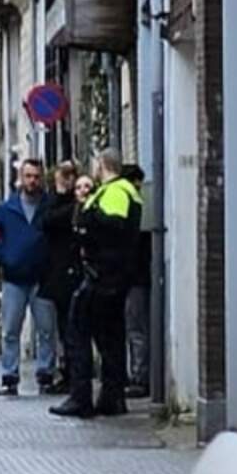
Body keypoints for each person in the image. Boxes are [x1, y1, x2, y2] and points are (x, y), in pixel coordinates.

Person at [52, 155, 147, 420]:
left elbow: (112, 227)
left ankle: (80, 397)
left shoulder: (115, 191)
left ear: (102, 165)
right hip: (113, 275)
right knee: (110, 338)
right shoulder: (122, 191)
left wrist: (88, 219)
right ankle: (112, 397)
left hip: (103, 276)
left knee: (78, 330)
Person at [0, 159, 55, 397]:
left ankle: (46, 374)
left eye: (36, 176)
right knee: (10, 330)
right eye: (28, 176)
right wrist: (5, 258)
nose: (32, 181)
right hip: (14, 279)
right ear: (21, 178)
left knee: (47, 330)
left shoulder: (49, 207)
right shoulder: (4, 210)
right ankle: (10, 376)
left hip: (43, 277)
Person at [34, 163, 87, 396]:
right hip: (61, 274)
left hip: (72, 273)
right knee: (65, 327)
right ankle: (70, 375)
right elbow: (45, 221)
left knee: (73, 328)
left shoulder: (77, 207)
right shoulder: (56, 204)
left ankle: (75, 378)